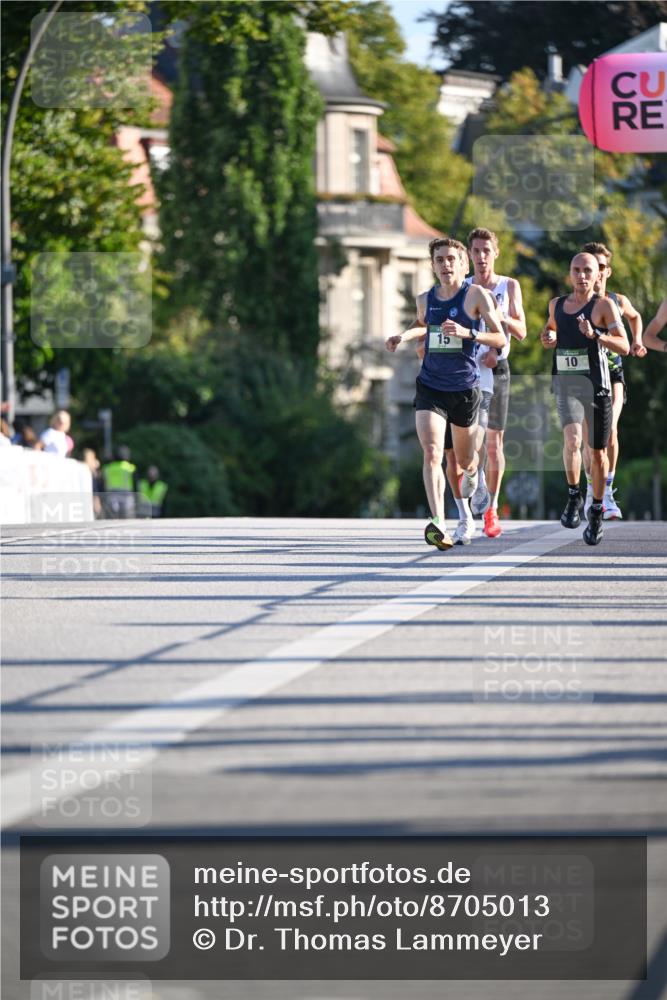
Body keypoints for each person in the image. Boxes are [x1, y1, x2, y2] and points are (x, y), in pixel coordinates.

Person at [386, 236, 505, 550]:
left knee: (464, 461)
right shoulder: (425, 299)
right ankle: (438, 522)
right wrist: (402, 336)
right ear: (433, 265)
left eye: (451, 259)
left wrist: (469, 332)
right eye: (439, 259)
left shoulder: (476, 295)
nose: (446, 265)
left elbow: (500, 338)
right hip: (430, 386)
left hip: (464, 389)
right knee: (433, 453)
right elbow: (422, 324)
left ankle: (473, 474)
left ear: (463, 264)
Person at [540, 252, 629, 546]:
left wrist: (596, 335)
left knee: (598, 453)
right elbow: (550, 331)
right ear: (569, 273)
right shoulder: (556, 305)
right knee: (572, 440)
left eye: (587, 271)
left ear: (597, 275)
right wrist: (548, 337)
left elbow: (624, 345)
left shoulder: (603, 306)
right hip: (566, 384)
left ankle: (597, 509)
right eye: (576, 270)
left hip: (596, 387)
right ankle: (573, 495)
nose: (581, 276)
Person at [466, 228, 527, 538]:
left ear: (496, 253)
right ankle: (474, 483)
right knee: (469, 441)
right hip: (466, 368)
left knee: (493, 443)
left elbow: (522, 331)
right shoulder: (463, 286)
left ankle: (491, 507)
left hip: (497, 367)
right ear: (469, 254)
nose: (481, 257)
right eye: (476, 251)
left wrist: (499, 317)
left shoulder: (509, 285)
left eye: (486, 251)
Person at [580, 242, 645, 520]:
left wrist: (637, 340)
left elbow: (635, 316)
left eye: (602, 266)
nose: (597, 271)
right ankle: (590, 490)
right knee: (589, 439)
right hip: (585, 376)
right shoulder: (578, 302)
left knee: (611, 431)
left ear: (607, 271)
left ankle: (606, 491)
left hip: (612, 373)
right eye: (592, 266)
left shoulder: (617, 301)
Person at [101, 445, 137, 518]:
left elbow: (102, 483)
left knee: (112, 517)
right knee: (127, 517)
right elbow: (136, 482)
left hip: (111, 495)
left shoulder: (107, 468)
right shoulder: (130, 467)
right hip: (126, 495)